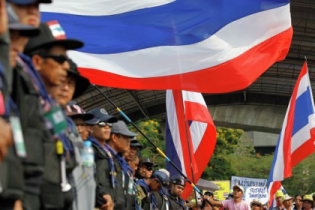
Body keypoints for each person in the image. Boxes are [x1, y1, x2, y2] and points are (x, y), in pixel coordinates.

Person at [86, 108, 117, 209]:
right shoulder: (88, 148)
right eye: (102, 124)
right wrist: (102, 196)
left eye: (109, 124)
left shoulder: (108, 152)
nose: (107, 127)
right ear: (90, 128)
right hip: (96, 204)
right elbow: (87, 177)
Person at [107, 120, 138, 209]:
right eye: (125, 137)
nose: (128, 141)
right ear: (114, 137)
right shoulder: (105, 158)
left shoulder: (120, 162)